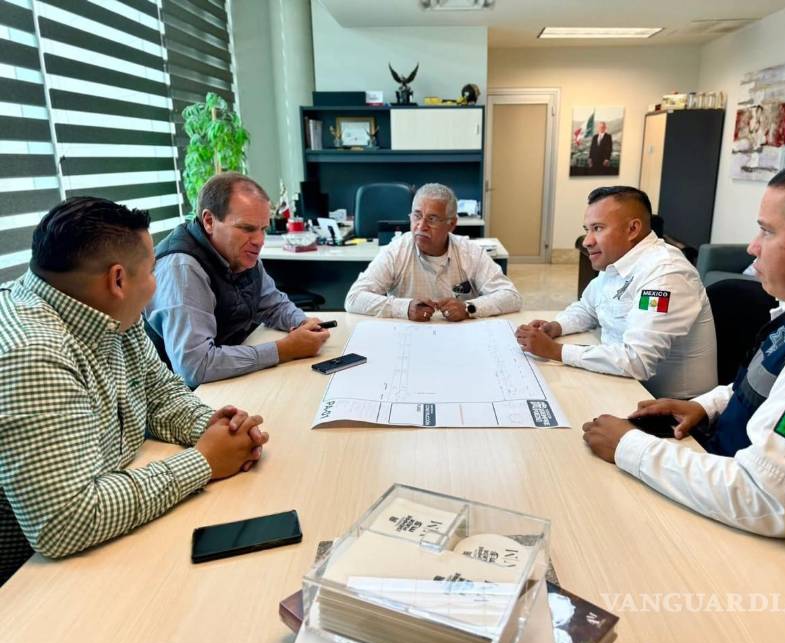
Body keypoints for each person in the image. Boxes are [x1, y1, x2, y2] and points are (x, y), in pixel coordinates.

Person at [581, 154, 785, 606]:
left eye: (766, 231)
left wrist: (628, 447)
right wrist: (708, 405)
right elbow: (769, 380)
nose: (752, 247)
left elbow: (769, 498)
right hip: (722, 455)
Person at [0, 197, 270, 585]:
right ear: (118, 280)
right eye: (152, 270)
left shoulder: (103, 308)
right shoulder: (31, 353)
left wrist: (220, 428)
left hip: (108, 518)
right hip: (29, 577)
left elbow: (160, 395)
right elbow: (65, 521)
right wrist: (205, 461)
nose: (156, 282)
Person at [516, 186, 716, 400]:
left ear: (632, 229)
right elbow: (587, 308)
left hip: (670, 406)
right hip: (624, 383)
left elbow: (637, 360)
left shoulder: (666, 275)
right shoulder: (617, 262)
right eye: (587, 229)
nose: (587, 241)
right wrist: (557, 326)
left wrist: (556, 351)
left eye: (598, 228)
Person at [145, 172, 329, 388]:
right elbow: (195, 367)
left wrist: (302, 323)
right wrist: (284, 350)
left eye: (263, 229)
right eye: (247, 229)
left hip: (225, 378)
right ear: (209, 221)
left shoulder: (237, 251)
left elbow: (273, 305)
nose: (259, 241)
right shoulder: (182, 269)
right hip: (185, 395)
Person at [344, 183, 522, 322]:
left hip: (460, 337)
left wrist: (468, 308)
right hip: (407, 336)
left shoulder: (470, 252)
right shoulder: (396, 251)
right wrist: (404, 308)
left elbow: (511, 296)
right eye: (417, 216)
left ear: (451, 224)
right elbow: (353, 298)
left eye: (432, 219)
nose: (421, 226)